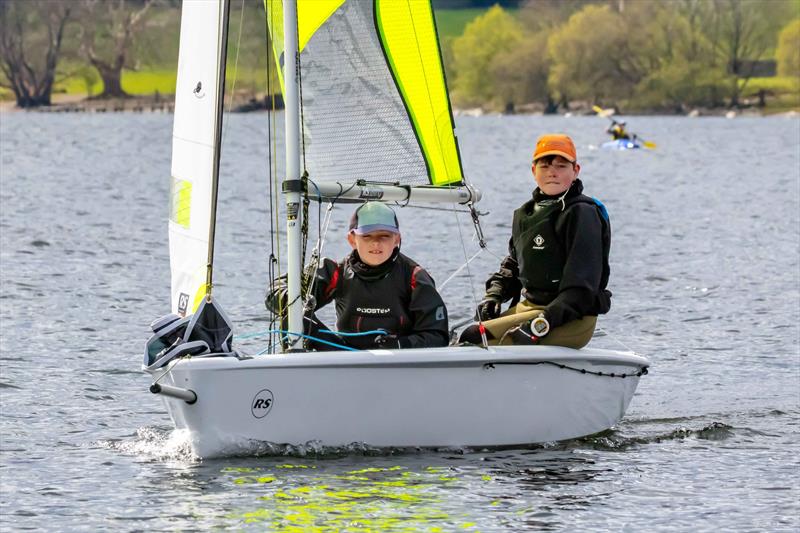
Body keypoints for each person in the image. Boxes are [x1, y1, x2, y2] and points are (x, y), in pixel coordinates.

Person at [459, 134, 611, 349]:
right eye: (545, 166)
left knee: (474, 337)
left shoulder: (582, 214)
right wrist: (494, 295)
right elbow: (513, 264)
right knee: (459, 336)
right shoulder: (525, 214)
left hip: (571, 318)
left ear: (575, 171)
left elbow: (582, 289)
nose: (552, 172)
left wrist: (541, 324)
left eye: (561, 166)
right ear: (534, 171)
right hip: (530, 308)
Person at [266, 202, 449, 350]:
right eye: (367, 236)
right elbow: (274, 291)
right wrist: (292, 300)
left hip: (399, 360)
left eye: (384, 236)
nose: (376, 243)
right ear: (352, 239)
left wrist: (401, 345)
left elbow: (438, 336)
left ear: (397, 239)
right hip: (346, 358)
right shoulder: (336, 271)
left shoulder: (415, 277)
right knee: (292, 319)